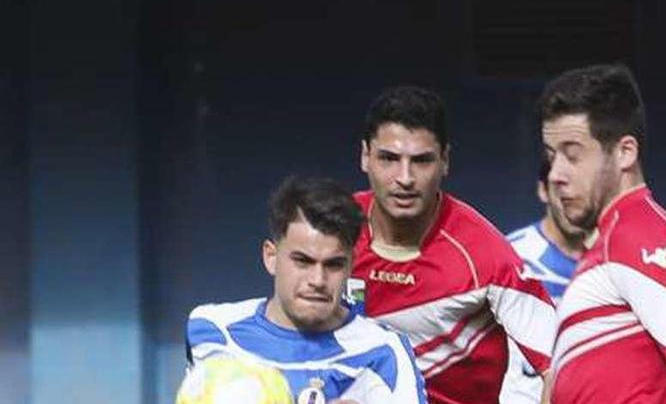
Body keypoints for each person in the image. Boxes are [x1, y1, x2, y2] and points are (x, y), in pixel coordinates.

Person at [539, 64, 666, 403]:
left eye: (573, 156)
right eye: (551, 157)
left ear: (624, 153)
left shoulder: (641, 235)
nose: (556, 174)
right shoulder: (609, 243)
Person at [349, 86, 556, 404]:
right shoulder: (336, 232)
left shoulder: (486, 256)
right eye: (389, 158)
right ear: (365, 156)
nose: (404, 177)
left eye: (421, 161)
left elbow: (561, 365)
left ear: (445, 160)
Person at [184, 175, 427, 404]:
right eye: (302, 261)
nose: (318, 280)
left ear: (351, 265)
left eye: (333, 264)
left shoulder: (383, 351)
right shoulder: (212, 329)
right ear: (271, 257)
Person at [500, 162, 589, 404]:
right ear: (543, 189)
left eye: (582, 187)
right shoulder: (510, 259)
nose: (571, 198)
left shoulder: (617, 265)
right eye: (561, 186)